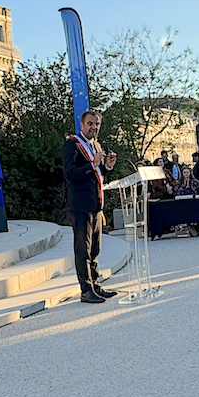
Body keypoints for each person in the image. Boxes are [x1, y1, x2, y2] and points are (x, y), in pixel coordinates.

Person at [61, 110, 118, 304]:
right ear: (82, 124)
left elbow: (96, 175)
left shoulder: (95, 145)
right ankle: (85, 290)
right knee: (83, 250)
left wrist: (107, 167)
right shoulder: (72, 145)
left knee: (95, 249)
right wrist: (92, 165)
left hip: (95, 205)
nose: (93, 127)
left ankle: (96, 285)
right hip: (79, 206)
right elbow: (70, 174)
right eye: (90, 124)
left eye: (97, 124)